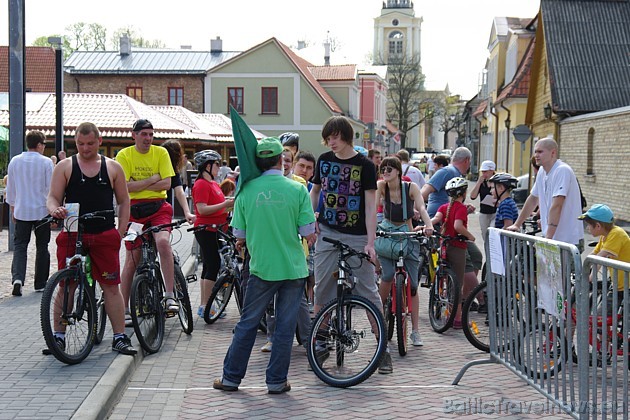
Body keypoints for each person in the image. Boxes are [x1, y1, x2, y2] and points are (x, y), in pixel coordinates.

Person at [213, 137, 316, 394]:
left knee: (247, 322)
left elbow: (238, 232)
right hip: (293, 267)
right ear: (282, 160)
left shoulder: (246, 189)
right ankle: (276, 381)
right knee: (284, 326)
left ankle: (230, 379)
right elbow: (306, 230)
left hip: (261, 267)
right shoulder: (297, 189)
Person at [45, 122, 137, 355]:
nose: (85, 148)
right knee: (66, 285)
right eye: (80, 144)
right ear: (75, 142)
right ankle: (58, 335)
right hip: (73, 232)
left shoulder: (112, 167)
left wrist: (121, 230)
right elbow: (53, 197)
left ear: (99, 141)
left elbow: (124, 200)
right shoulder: (66, 166)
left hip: (104, 233)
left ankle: (119, 336)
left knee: (110, 285)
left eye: (90, 143)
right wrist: (54, 209)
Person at [309, 116, 388, 372]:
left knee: (368, 291)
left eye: (336, 137)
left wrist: (370, 241)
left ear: (346, 136)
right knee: (322, 289)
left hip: (356, 236)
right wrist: (312, 219)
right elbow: (316, 192)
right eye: (328, 137)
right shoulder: (324, 161)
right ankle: (319, 343)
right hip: (328, 233)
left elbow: (369, 204)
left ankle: (382, 347)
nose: (331, 142)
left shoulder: (365, 165)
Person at [115, 118, 178, 325]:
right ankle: (123, 308)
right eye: (144, 134)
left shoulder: (161, 153)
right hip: (133, 211)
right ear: (134, 135)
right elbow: (124, 188)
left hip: (159, 207)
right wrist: (153, 179)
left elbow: (168, 183)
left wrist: (137, 184)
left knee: (163, 242)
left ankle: (169, 295)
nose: (148, 139)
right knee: (132, 257)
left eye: (151, 134)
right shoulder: (124, 155)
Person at [376, 156, 434, 347]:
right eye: (383, 168)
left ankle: (415, 331)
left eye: (389, 168)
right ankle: (376, 316)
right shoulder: (381, 187)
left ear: (398, 171)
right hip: (387, 233)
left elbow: (422, 208)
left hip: (407, 234)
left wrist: (428, 225)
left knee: (414, 285)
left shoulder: (410, 188)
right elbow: (372, 208)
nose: (385, 171)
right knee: (387, 275)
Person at [506, 138, 584, 250]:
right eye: (535, 152)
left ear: (553, 153)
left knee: (564, 268)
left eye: (540, 152)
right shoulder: (542, 172)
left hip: (567, 240)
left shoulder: (562, 170)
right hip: (552, 238)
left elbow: (557, 205)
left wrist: (548, 237)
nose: (536, 155)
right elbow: (533, 199)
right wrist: (517, 224)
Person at [6, 130, 54, 296]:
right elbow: (51, 189)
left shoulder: (15, 161)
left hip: (22, 210)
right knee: (42, 246)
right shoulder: (47, 162)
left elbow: (11, 188)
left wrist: (13, 208)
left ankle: (18, 279)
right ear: (40, 145)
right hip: (42, 210)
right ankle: (40, 283)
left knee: (20, 246)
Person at [191, 150, 234, 318]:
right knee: (213, 264)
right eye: (217, 164)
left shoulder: (214, 184)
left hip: (216, 228)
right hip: (206, 229)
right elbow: (202, 209)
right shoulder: (201, 184)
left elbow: (219, 206)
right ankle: (206, 305)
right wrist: (225, 203)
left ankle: (205, 304)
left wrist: (230, 204)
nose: (219, 167)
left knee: (209, 266)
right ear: (207, 166)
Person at [430, 177, 476, 329]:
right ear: (464, 192)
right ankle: (457, 319)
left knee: (448, 282)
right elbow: (458, 226)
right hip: (457, 247)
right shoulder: (461, 208)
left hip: (444, 245)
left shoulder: (443, 207)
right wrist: (470, 236)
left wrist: (425, 226)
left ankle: (449, 314)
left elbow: (436, 219)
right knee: (458, 284)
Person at [579, 204, 630, 295]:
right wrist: (584, 269)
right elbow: (593, 255)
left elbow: (600, 258)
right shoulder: (605, 236)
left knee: (602, 309)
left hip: (626, 288)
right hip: (618, 286)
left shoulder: (616, 234)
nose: (587, 228)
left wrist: (589, 278)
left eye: (589, 225)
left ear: (598, 226)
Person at [421, 147, 472, 218]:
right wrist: (416, 208)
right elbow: (426, 189)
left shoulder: (456, 173)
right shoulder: (447, 171)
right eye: (470, 162)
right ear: (467, 160)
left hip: (447, 218)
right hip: (437, 220)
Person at [161, 140, 195, 224]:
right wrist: (187, 212)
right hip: (161, 210)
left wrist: (187, 212)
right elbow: (180, 192)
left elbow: (180, 191)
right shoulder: (171, 170)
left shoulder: (173, 170)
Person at [469, 160, 497, 241]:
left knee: (492, 232)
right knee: (485, 235)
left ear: (492, 171)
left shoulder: (497, 182)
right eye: (482, 172)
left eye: (485, 172)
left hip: (495, 211)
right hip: (484, 212)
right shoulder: (482, 182)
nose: (484, 174)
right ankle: (487, 251)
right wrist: (478, 182)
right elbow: (472, 196)